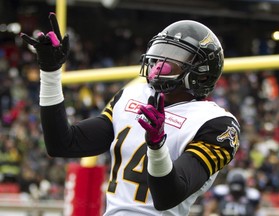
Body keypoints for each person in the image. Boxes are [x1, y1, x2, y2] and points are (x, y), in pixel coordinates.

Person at [20, 12, 240, 216]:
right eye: (161, 51)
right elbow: (62, 143)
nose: (159, 62)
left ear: (201, 73)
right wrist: (50, 73)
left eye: (173, 56)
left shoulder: (217, 124)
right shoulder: (133, 95)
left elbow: (168, 196)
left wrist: (156, 145)